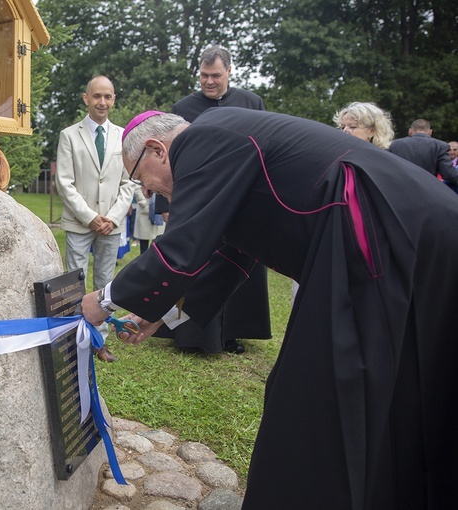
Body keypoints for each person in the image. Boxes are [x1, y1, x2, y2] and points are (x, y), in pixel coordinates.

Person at [82, 108, 458, 508]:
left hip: (382, 240)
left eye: (141, 179)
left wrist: (102, 300)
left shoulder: (199, 139)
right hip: (414, 235)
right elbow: (232, 253)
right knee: (407, 386)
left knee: (318, 402)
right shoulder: (222, 138)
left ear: (156, 149)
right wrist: (166, 312)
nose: (149, 193)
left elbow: (180, 248)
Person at [165, 45, 271, 354]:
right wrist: (167, 205)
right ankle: (186, 334)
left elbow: (267, 150)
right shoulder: (182, 107)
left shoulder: (252, 103)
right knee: (196, 264)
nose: (209, 82)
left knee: (238, 264)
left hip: (243, 199)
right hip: (200, 201)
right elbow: (171, 158)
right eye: (203, 75)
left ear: (229, 72)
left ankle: (232, 333)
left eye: (215, 75)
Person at [55, 75, 135, 362]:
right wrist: (90, 217)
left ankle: (100, 339)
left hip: (111, 224)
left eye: (108, 96)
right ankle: (73, 333)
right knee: (75, 277)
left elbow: (129, 182)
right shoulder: (69, 135)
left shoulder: (123, 136)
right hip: (80, 221)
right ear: (86, 98)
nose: (102, 101)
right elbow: (64, 182)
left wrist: (112, 218)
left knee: (105, 280)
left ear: (114, 99)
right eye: (97, 96)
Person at [388, 119, 458, 183]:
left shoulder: (394, 144)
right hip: (428, 190)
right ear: (430, 132)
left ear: (410, 131)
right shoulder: (440, 146)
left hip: (400, 189)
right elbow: (449, 174)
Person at [132, 188, 165, 254]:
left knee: (158, 245)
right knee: (144, 247)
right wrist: (145, 205)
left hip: (159, 211)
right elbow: (137, 188)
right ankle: (143, 263)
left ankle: (156, 263)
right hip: (144, 212)